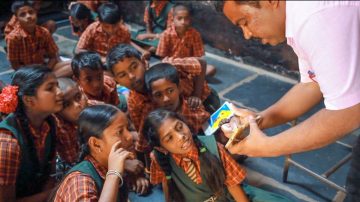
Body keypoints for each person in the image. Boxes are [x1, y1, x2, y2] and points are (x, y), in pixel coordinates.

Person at [220, 1, 360, 200]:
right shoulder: (298, 17)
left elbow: (348, 113)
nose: (247, 34)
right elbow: (311, 85)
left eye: (245, 21)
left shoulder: (314, 18)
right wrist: (257, 120)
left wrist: (267, 147)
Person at [143, 109, 292, 202]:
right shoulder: (159, 159)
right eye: (169, 138)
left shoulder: (214, 148)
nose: (180, 136)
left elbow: (234, 187)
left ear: (184, 122)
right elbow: (167, 186)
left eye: (179, 127)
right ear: (161, 148)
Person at [52, 104, 154, 202]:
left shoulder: (113, 165)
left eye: (127, 128)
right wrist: (113, 175)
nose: (130, 136)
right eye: (119, 132)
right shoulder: (79, 182)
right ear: (96, 144)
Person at [0, 66, 65, 201]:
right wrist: (53, 193)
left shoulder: (51, 122)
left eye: (57, 86)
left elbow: (50, 172)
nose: (60, 92)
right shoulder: (7, 143)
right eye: (50, 88)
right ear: (29, 100)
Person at [6, 1, 72, 77]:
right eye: (23, 15)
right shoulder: (13, 38)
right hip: (26, 72)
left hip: (42, 68)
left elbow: (53, 57)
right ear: (17, 19)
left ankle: (45, 78)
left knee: (73, 65)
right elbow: (15, 65)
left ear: (36, 13)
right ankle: (46, 78)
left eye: (31, 12)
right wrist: (32, 74)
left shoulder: (44, 32)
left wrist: (45, 69)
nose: (28, 16)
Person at [75, 2, 150, 62]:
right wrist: (99, 58)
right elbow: (78, 50)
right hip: (94, 61)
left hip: (114, 63)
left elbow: (126, 49)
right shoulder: (92, 29)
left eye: (114, 26)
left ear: (120, 20)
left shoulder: (124, 31)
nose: (111, 30)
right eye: (106, 27)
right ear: (98, 21)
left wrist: (139, 57)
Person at [156, 4, 216, 77]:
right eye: (179, 18)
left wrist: (186, 64)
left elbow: (198, 57)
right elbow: (162, 57)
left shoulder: (195, 34)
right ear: (173, 19)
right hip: (173, 64)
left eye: (186, 19)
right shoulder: (166, 34)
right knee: (165, 66)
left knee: (210, 69)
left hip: (188, 64)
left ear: (190, 19)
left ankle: (187, 76)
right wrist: (176, 63)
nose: (183, 22)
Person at [54, 77, 88, 168]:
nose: (77, 105)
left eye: (78, 97)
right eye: (67, 105)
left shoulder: (93, 106)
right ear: (58, 112)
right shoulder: (63, 129)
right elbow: (75, 162)